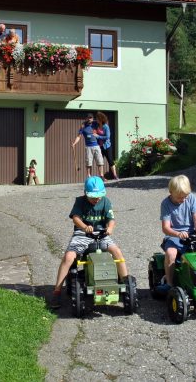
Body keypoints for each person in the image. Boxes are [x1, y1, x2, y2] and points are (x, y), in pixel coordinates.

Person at [53, 176, 128, 305]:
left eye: (99, 196)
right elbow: (75, 218)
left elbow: (111, 219)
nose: (96, 199)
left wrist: (110, 228)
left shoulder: (105, 202)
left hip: (102, 234)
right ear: (85, 193)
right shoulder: (80, 202)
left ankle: (125, 283)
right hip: (82, 234)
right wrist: (84, 227)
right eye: (93, 196)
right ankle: (57, 290)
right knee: (69, 257)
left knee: (117, 252)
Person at [157, 174, 196, 292]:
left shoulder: (191, 198)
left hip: (192, 232)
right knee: (171, 253)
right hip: (174, 235)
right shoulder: (166, 204)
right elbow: (165, 228)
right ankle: (170, 284)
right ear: (171, 192)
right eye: (180, 197)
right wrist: (178, 234)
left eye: (185, 196)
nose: (183, 200)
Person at [71, 113, 103, 178]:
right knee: (88, 162)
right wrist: (74, 143)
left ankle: (101, 176)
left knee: (100, 161)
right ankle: (89, 176)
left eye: (91, 118)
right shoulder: (83, 126)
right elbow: (79, 136)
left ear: (93, 118)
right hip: (88, 147)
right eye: (88, 118)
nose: (89, 119)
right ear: (86, 118)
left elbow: (102, 121)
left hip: (97, 146)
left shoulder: (96, 123)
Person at [94, 112, 118, 180]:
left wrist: (98, 136)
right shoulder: (97, 125)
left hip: (107, 146)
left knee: (110, 160)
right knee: (100, 161)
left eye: (97, 118)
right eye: (96, 118)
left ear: (101, 119)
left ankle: (115, 175)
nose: (96, 120)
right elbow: (91, 122)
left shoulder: (106, 126)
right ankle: (102, 176)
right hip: (100, 146)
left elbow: (107, 137)